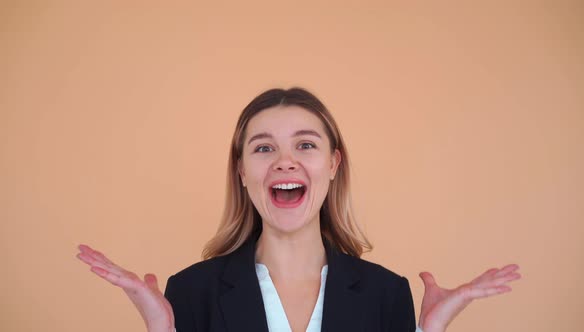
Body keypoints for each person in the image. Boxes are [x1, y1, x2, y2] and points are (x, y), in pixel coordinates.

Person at [77, 88, 521, 332]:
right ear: (242, 171)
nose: (284, 161)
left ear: (333, 164)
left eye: (305, 145)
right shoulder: (192, 293)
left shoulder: (387, 295)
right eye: (263, 147)